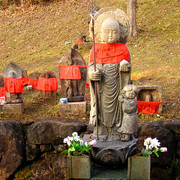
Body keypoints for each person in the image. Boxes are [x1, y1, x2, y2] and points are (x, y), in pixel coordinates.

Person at [89, 18, 131, 141]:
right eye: (107, 31)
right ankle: (101, 131)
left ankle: (117, 132)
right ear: (101, 33)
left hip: (118, 86)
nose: (111, 35)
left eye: (114, 31)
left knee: (118, 109)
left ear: (120, 34)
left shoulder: (124, 49)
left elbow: (128, 68)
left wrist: (125, 67)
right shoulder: (95, 49)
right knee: (101, 109)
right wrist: (92, 74)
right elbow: (91, 67)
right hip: (102, 87)